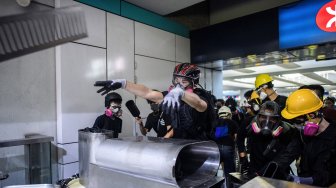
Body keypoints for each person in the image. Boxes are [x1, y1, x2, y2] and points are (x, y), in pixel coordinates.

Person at [94, 63, 215, 140]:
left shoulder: (200, 97)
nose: (179, 84)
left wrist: (182, 93)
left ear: (193, 83)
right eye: (177, 80)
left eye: (184, 82)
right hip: (179, 145)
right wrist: (124, 83)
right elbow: (148, 93)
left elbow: (199, 104)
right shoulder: (170, 95)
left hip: (201, 145)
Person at [278, 89, 336, 186]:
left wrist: (306, 180)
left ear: (312, 115)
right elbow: (288, 154)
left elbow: (328, 173)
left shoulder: (333, 136)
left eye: (298, 121)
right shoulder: (303, 135)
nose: (297, 126)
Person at [236, 101, 296, 180]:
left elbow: (285, 156)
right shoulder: (249, 123)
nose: (267, 121)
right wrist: (243, 157)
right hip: (255, 167)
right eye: (263, 117)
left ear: (278, 120)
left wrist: (260, 173)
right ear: (258, 116)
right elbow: (240, 138)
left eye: (272, 118)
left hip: (276, 171)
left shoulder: (286, 131)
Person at [211, 106, 238, 181]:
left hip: (216, 148)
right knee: (229, 171)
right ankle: (230, 185)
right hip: (228, 147)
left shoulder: (214, 122)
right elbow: (236, 136)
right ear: (229, 114)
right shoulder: (232, 122)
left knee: (214, 170)